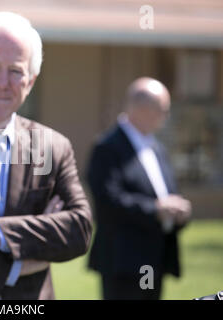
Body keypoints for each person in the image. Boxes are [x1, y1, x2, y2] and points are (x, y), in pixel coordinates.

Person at [0, 11, 93, 300]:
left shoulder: (51, 146)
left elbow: (79, 229)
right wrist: (22, 263)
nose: (3, 82)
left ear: (31, 80)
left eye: (16, 71)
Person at [87, 77, 192, 300]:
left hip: (155, 257)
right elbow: (108, 201)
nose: (167, 116)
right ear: (143, 109)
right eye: (164, 109)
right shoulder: (107, 148)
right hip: (125, 262)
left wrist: (177, 211)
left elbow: (166, 191)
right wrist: (156, 209)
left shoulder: (156, 148)